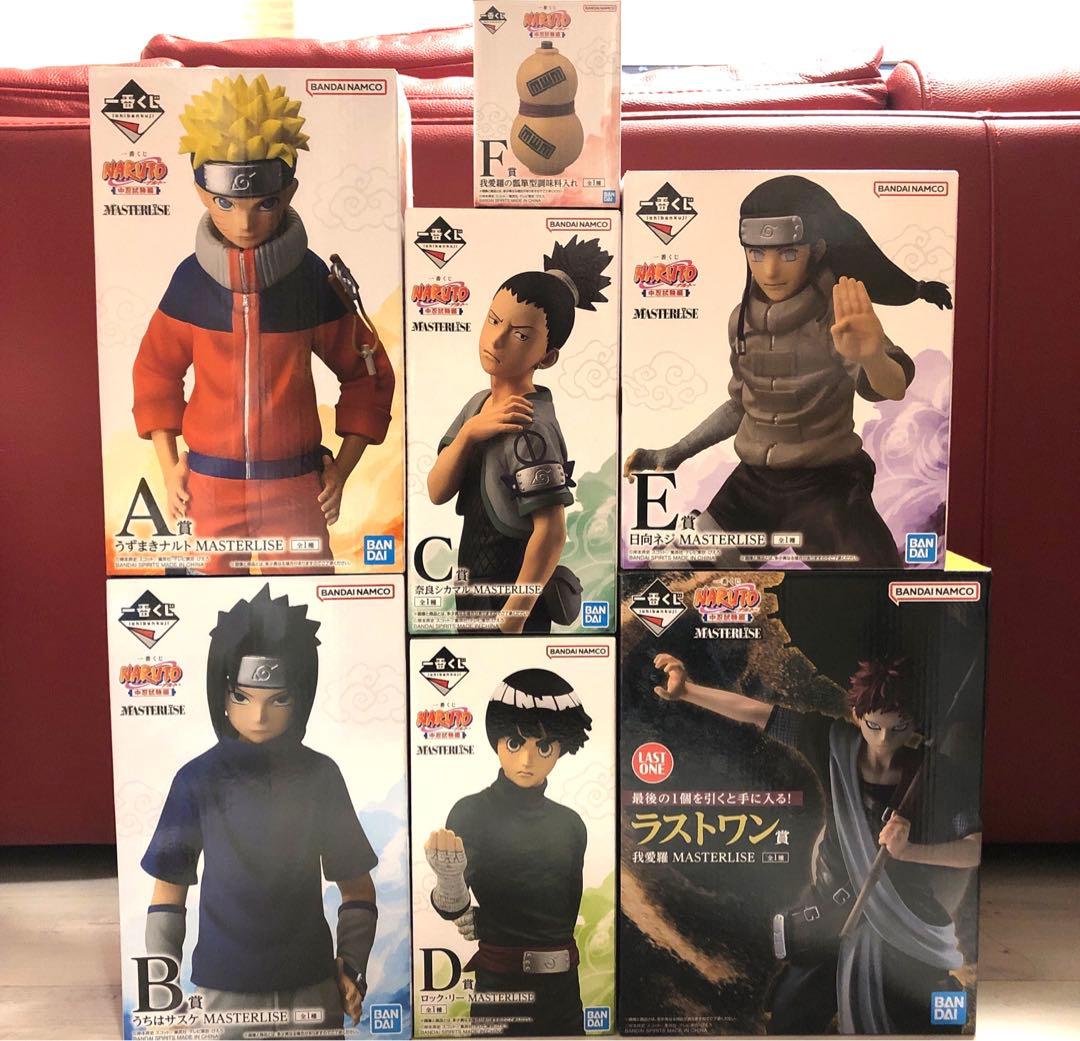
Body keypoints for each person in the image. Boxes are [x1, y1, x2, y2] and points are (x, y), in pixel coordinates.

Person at [133, 73, 395, 574]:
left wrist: (341, 472)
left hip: (294, 486)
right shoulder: (190, 282)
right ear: (202, 193)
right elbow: (155, 372)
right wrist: (169, 470)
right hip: (207, 487)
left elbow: (368, 375)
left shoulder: (313, 279)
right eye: (226, 203)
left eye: (265, 204)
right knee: (203, 606)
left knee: (307, 602)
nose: (245, 223)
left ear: (289, 192)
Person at [624, 175, 952, 567]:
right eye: (756, 253)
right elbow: (742, 405)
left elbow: (891, 387)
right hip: (753, 489)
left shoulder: (839, 313)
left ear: (817, 249)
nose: (771, 270)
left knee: (878, 589)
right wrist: (675, 452)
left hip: (827, 490)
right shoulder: (741, 321)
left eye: (788, 253)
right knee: (670, 573)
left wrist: (871, 356)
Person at [651, 651, 981, 1034]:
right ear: (857, 715)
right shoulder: (831, 744)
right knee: (789, 1015)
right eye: (874, 726)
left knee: (933, 1021)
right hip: (832, 914)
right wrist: (688, 691)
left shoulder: (939, 774)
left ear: (915, 725)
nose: (883, 740)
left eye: (898, 728)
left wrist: (912, 851)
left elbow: (974, 847)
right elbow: (757, 713)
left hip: (907, 924)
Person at [142, 585, 379, 1039]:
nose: (259, 716)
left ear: (300, 697)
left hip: (311, 988)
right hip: (222, 992)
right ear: (222, 694)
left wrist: (351, 967)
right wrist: (161, 991)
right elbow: (168, 896)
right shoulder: (195, 780)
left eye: (278, 699)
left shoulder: (321, 777)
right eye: (243, 697)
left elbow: (357, 888)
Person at [427, 236, 612, 632]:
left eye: (521, 335)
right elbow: (437, 491)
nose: (496, 339)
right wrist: (469, 434)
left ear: (548, 357)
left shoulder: (529, 427)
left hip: (511, 594)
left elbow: (552, 531)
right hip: (471, 583)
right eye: (494, 320)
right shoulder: (477, 406)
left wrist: (513, 615)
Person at [424, 669, 593, 1036]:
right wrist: (450, 881)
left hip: (564, 988)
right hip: (501, 986)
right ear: (496, 741)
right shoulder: (471, 812)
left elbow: (562, 911)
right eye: (515, 743)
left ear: (561, 748)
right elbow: (453, 907)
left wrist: (490, 920)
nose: (528, 760)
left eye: (544, 747)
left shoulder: (571, 825)